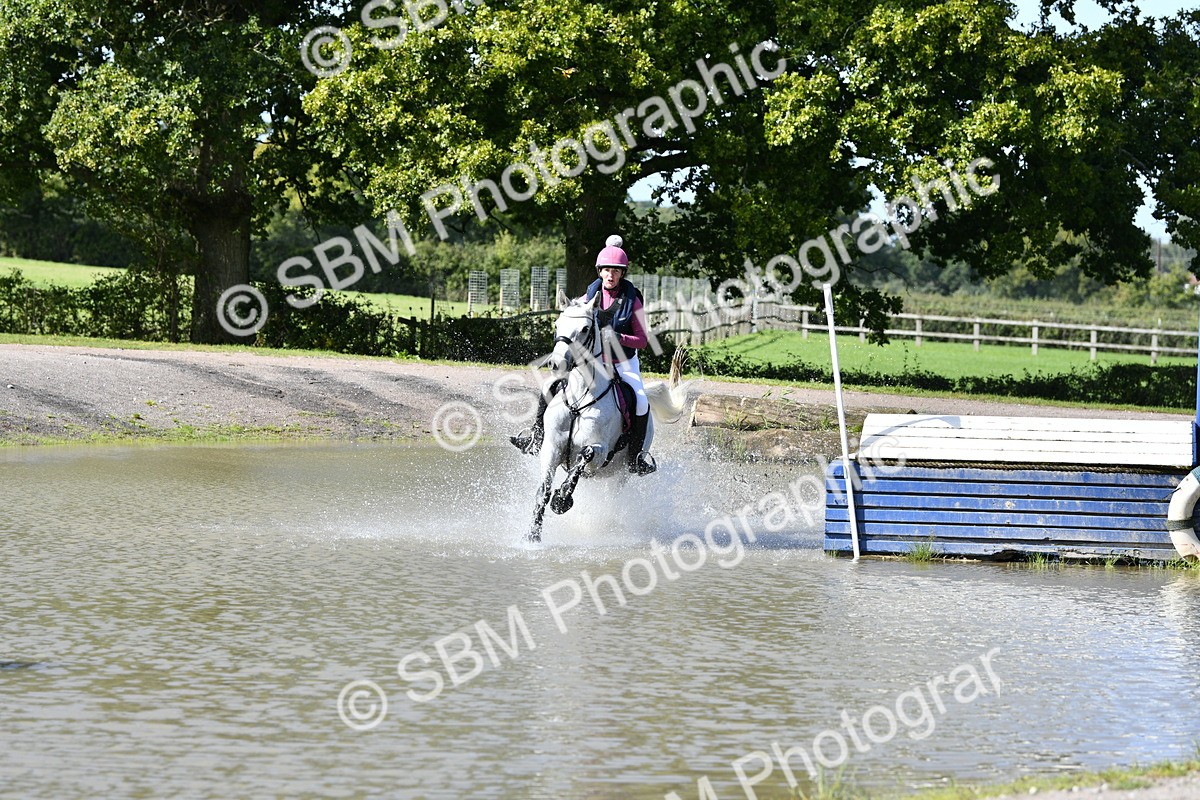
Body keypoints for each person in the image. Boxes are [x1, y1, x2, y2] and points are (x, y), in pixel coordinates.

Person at [510, 234, 656, 475]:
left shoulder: (633, 300)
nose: (611, 275)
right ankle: (536, 438)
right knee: (549, 386)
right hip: (593, 363)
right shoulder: (590, 294)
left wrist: (618, 338)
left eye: (616, 271)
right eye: (607, 270)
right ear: (600, 271)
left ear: (623, 273)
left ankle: (637, 458)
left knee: (641, 402)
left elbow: (642, 340)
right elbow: (574, 319)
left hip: (623, 362)